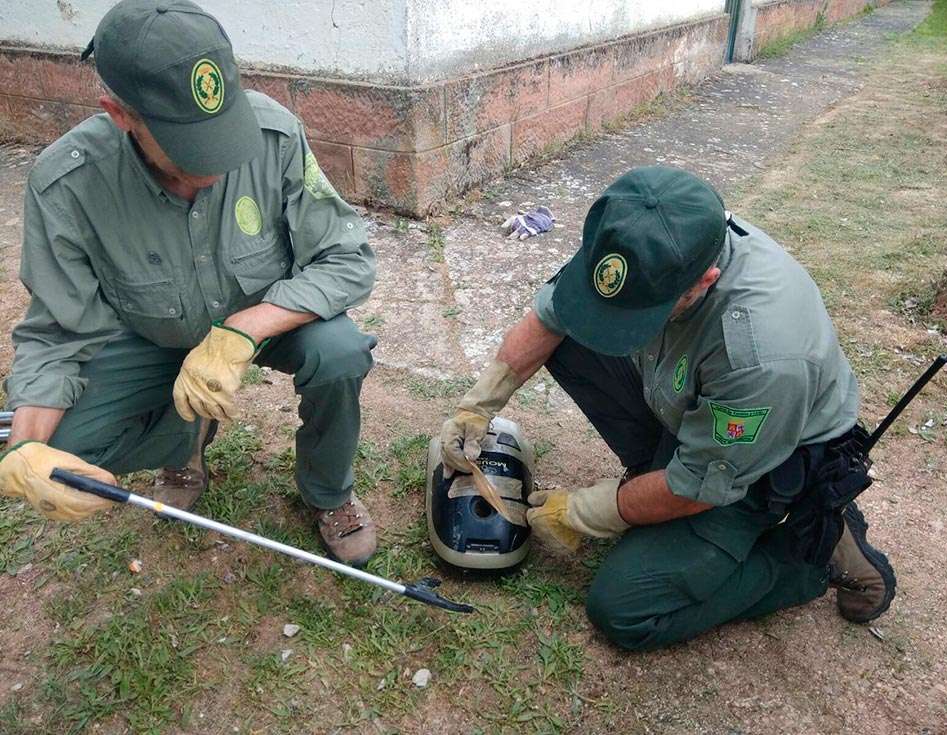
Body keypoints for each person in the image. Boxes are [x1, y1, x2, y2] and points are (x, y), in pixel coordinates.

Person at [440, 166, 896, 649]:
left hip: (762, 465)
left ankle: (810, 559)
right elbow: (554, 314)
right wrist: (478, 404)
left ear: (705, 280)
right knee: (572, 336)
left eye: (643, 314)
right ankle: (649, 472)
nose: (622, 323)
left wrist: (583, 511)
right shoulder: (644, 237)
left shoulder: (759, 355)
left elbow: (694, 488)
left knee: (624, 608)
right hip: (692, 407)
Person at [0, 0, 378, 566]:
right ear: (119, 114)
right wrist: (25, 445)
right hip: (153, 337)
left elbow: (347, 259)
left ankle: (329, 492)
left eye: (223, 133)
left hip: (267, 319)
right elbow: (57, 333)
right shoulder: (68, 183)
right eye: (188, 145)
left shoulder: (274, 133)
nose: (218, 164)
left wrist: (245, 329)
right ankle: (187, 439)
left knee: (341, 351)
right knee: (60, 449)